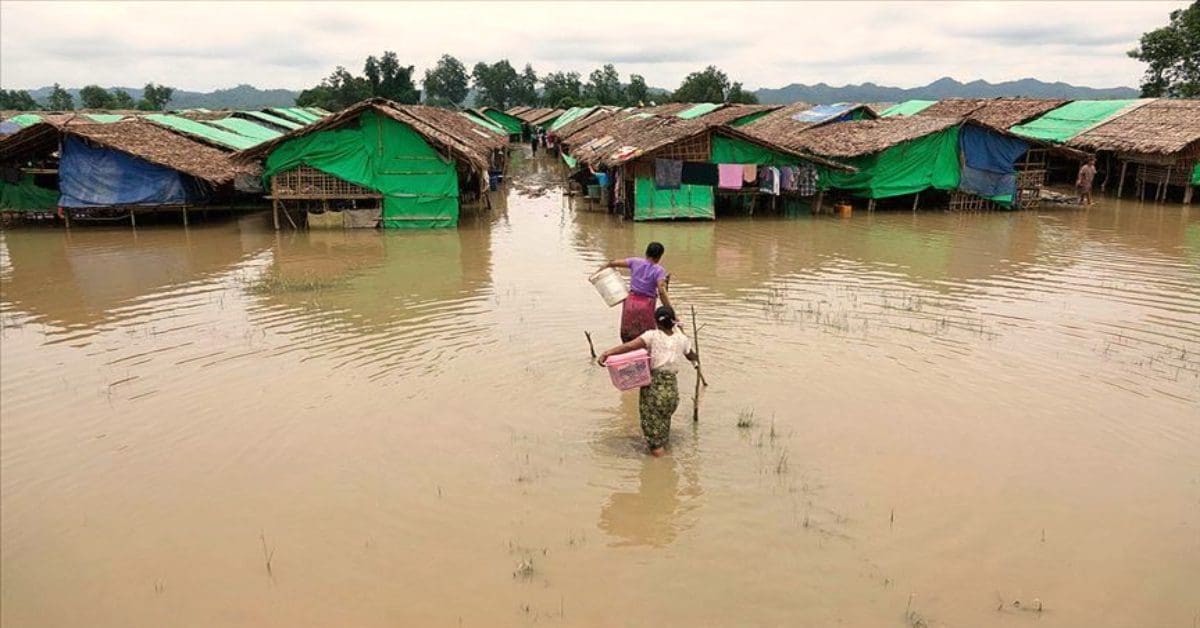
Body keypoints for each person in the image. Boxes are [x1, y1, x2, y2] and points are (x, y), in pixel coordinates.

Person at [598, 305, 698, 456]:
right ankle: (667, 466)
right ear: (674, 322)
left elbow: (630, 346)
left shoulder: (652, 336)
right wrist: (696, 360)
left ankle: (660, 467)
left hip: (654, 391)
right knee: (663, 426)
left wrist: (607, 353)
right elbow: (692, 356)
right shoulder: (682, 339)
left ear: (656, 322)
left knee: (654, 439)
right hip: (671, 392)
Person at [598, 242, 671, 342]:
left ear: (646, 253)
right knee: (646, 339)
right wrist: (669, 309)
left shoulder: (635, 262)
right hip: (646, 305)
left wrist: (599, 272)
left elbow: (612, 263)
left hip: (630, 302)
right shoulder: (659, 270)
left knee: (627, 335)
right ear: (659, 257)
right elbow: (661, 291)